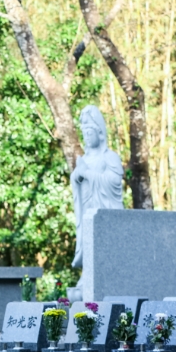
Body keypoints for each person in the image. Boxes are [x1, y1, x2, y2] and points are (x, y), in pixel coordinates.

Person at [70, 105, 124, 279]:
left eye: (90, 133)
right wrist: (77, 176)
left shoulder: (109, 157)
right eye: (84, 133)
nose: (87, 137)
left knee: (106, 249)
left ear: (100, 133)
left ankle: (105, 275)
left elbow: (114, 181)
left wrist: (87, 173)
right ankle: (88, 276)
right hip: (87, 209)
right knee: (89, 246)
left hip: (104, 210)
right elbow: (77, 182)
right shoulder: (84, 159)